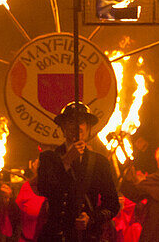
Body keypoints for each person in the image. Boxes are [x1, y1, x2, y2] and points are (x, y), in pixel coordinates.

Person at [35, 102, 120, 242]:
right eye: (71, 122)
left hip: (86, 237)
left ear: (88, 128)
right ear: (63, 128)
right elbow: (44, 188)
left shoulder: (100, 162)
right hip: (54, 236)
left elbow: (112, 205)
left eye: (82, 122)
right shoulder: (48, 158)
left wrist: (91, 218)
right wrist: (66, 161)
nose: (78, 127)